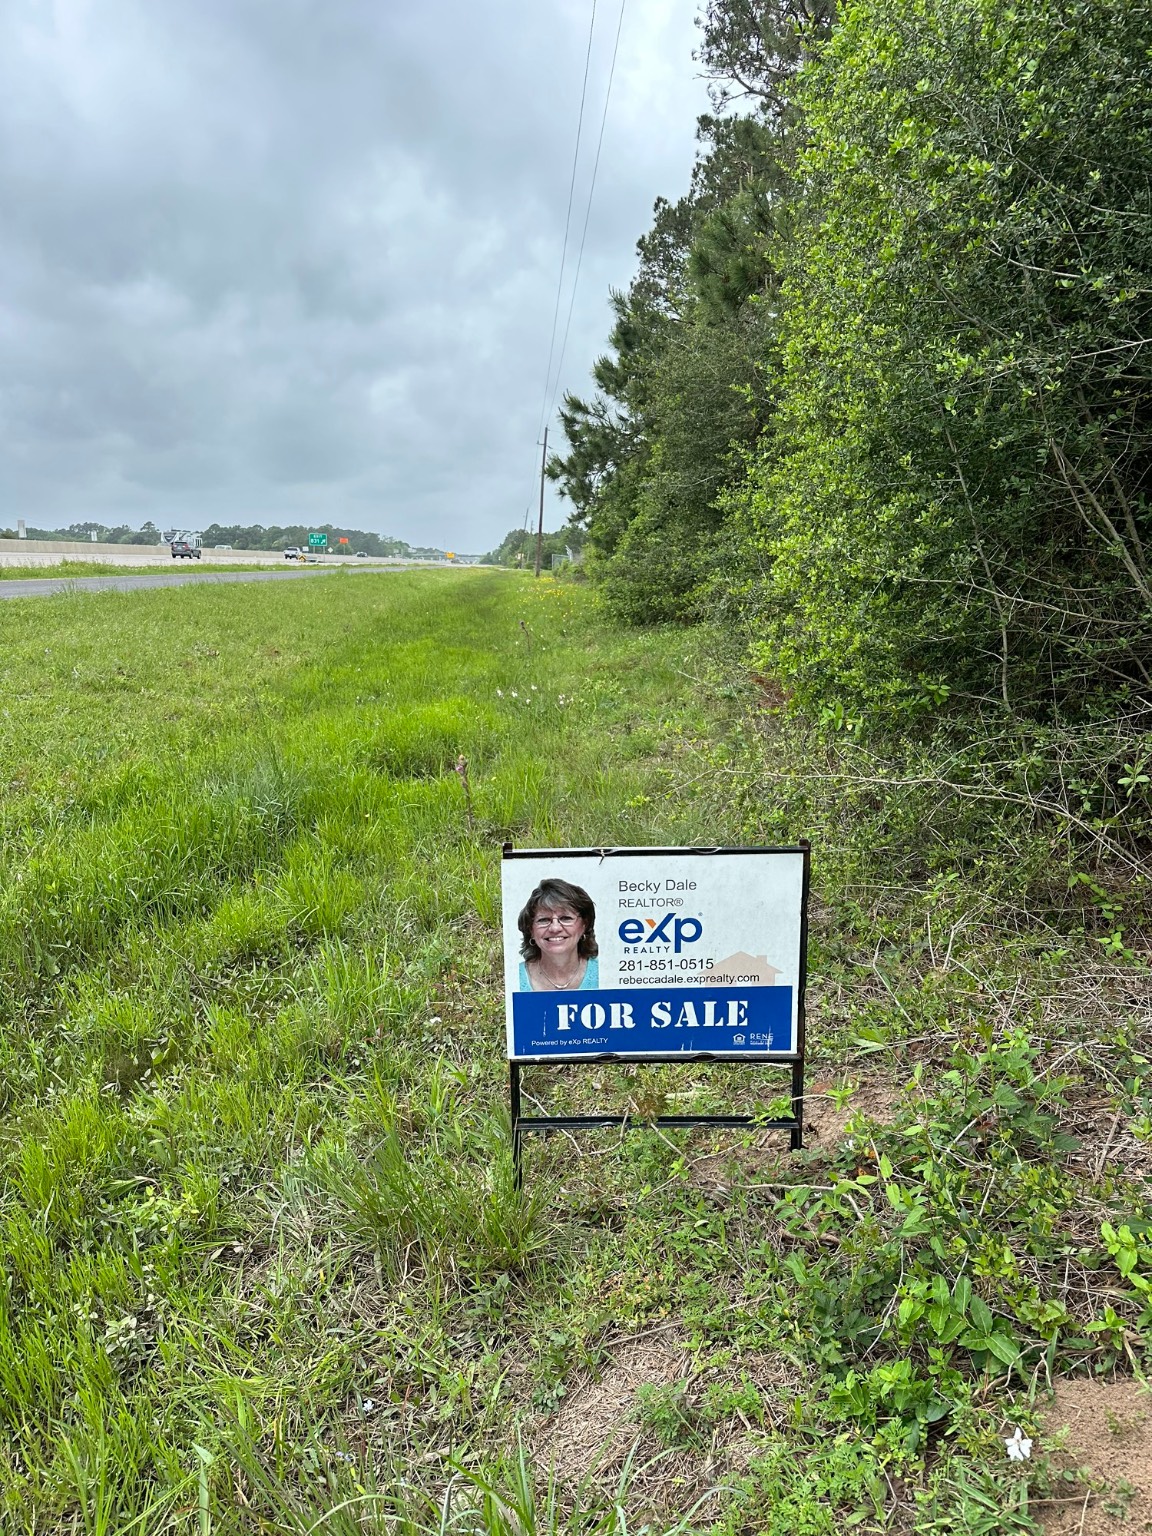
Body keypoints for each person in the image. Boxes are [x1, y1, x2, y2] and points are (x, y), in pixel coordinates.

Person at [517, 878, 600, 992]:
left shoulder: (605, 974)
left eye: (566, 918)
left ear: (584, 925)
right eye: (544, 920)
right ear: (530, 929)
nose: (555, 928)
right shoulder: (513, 978)